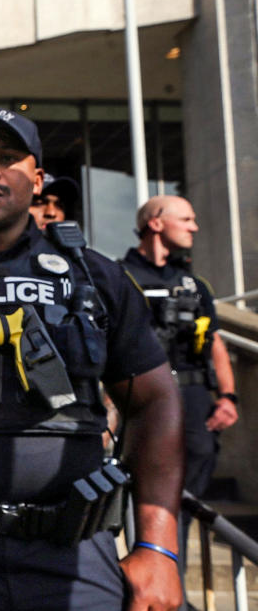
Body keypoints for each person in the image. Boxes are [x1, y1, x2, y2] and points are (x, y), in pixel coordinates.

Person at [0, 108, 184, 610]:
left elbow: (156, 400)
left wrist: (157, 546)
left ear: (37, 180)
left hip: (73, 552)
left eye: (7, 158)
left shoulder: (95, 276)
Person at [120, 195, 238, 574]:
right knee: (135, 492)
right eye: (186, 219)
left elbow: (215, 344)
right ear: (156, 222)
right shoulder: (120, 276)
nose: (194, 227)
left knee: (184, 499)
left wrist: (227, 397)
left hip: (191, 399)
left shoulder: (195, 283)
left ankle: (171, 573)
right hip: (137, 398)